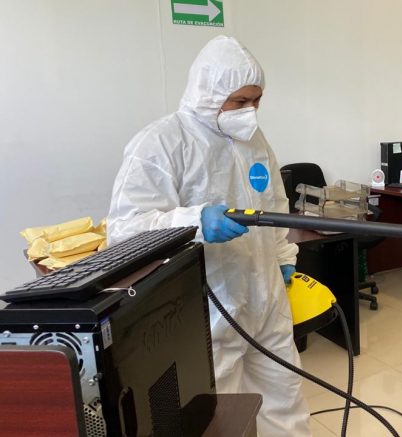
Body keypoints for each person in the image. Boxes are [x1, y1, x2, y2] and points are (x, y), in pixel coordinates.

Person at [107, 35, 311, 436]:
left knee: (284, 398)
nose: (250, 111)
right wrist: (196, 221)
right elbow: (124, 230)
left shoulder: (255, 142)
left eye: (257, 100)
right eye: (240, 101)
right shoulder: (162, 142)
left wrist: (283, 258)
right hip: (207, 308)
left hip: (266, 300)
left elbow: (275, 205)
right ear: (208, 92)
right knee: (218, 415)